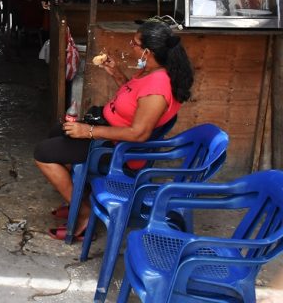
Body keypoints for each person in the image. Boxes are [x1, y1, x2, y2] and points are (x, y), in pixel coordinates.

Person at [33, 21, 194, 240]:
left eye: (135, 43)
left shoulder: (158, 87)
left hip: (120, 150)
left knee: (43, 154)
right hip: (110, 132)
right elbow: (135, 99)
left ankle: (83, 210)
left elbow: (138, 133)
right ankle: (79, 194)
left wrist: (88, 131)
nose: (131, 45)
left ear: (148, 51)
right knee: (57, 131)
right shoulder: (150, 71)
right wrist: (116, 73)